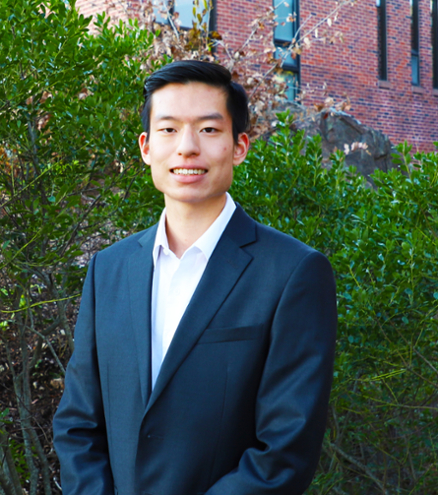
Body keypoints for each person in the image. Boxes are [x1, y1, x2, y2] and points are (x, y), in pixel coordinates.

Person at [53, 60, 337, 495]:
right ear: (146, 147)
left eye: (208, 130)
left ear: (239, 146)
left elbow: (284, 451)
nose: (187, 147)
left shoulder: (293, 273)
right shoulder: (108, 269)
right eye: (168, 129)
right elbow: (78, 422)